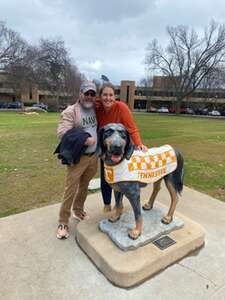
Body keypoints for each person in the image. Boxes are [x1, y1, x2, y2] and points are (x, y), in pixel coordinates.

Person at [96, 82, 148, 212]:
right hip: (106, 148)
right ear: (100, 96)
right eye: (105, 95)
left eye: (111, 95)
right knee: (105, 176)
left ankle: (119, 203)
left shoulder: (121, 107)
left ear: (115, 96)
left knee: (122, 177)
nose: (108, 98)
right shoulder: (97, 108)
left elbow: (132, 128)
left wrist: (139, 144)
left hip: (119, 148)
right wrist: (100, 151)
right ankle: (107, 203)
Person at [56, 80, 98, 239]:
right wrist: (83, 138)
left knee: (84, 187)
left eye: (92, 94)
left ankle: (78, 211)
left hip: (93, 157)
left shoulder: (95, 109)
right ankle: (63, 222)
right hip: (77, 158)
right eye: (86, 93)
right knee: (70, 190)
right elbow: (62, 133)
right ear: (80, 94)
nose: (89, 96)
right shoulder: (70, 111)